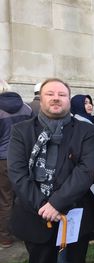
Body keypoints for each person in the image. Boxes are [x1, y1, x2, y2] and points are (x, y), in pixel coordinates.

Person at [7, 78, 94, 263]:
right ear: (42, 97)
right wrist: (44, 207)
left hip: (74, 214)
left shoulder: (86, 131)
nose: (56, 98)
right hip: (34, 215)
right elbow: (17, 174)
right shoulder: (21, 131)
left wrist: (57, 203)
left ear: (68, 100)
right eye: (50, 94)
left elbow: (86, 169)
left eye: (62, 94)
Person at [0, 82, 34, 248]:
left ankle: (5, 237)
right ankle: (24, 232)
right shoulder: (26, 108)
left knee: (5, 199)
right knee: (23, 195)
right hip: (24, 158)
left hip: (3, 160)